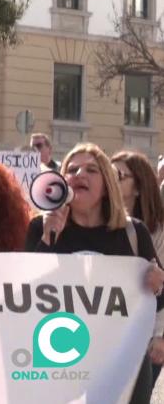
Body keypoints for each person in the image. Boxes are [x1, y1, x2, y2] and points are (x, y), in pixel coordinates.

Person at [25, 143, 164, 403]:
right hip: (60, 361)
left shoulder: (133, 233)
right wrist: (47, 239)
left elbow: (157, 301)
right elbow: (23, 296)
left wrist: (157, 285)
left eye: (91, 170)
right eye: (72, 169)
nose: (79, 174)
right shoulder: (39, 227)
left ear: (107, 184)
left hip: (124, 363)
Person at [111, 150, 164, 382]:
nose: (110, 179)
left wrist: (160, 335)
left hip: (145, 336)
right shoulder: (99, 225)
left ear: (138, 187)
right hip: (105, 332)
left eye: (118, 175)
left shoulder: (157, 231)